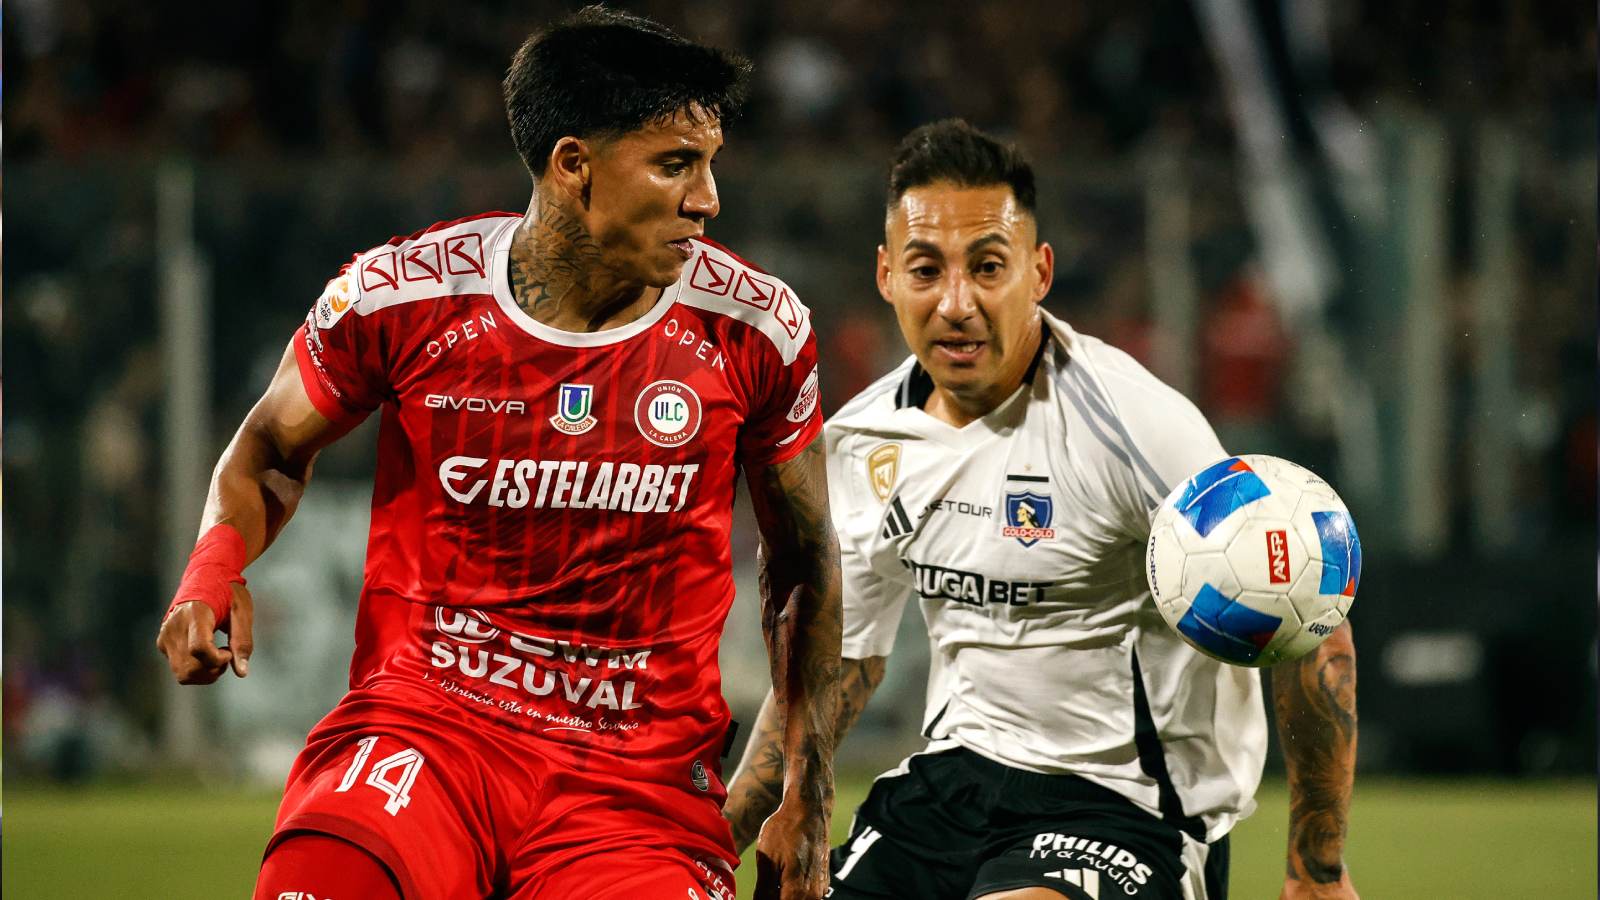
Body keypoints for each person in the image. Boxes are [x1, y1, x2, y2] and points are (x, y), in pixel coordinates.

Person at [154, 9, 840, 900]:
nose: (708, 199)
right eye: (675, 165)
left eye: (710, 165)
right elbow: (268, 448)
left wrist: (805, 795)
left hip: (631, 790)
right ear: (573, 167)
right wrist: (213, 566)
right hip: (425, 737)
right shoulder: (401, 298)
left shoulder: (755, 330)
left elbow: (806, 566)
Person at [722, 120, 1358, 900]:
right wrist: (755, 815)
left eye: (988, 267)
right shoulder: (861, 444)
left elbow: (1306, 616)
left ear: (1040, 271)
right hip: (952, 785)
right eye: (926, 270)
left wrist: (1316, 873)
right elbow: (845, 655)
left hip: (1127, 807)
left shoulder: (1136, 427)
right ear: (886, 275)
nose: (957, 303)